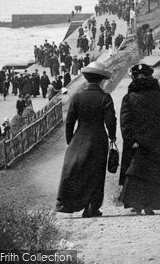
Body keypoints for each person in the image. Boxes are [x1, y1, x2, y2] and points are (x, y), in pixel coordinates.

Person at [56, 61, 117, 218]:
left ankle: (69, 202)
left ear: (87, 79)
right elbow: (111, 121)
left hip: (79, 137)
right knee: (96, 174)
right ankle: (92, 207)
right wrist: (112, 136)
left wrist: (71, 140)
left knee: (77, 171)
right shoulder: (105, 97)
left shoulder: (77, 97)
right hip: (98, 139)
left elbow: (69, 121)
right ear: (101, 80)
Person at [119, 64, 160, 215]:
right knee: (155, 174)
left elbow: (125, 124)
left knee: (136, 174)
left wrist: (131, 141)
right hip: (156, 142)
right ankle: (151, 205)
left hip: (136, 144)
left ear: (133, 79)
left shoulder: (129, 98)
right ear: (151, 78)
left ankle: (137, 204)